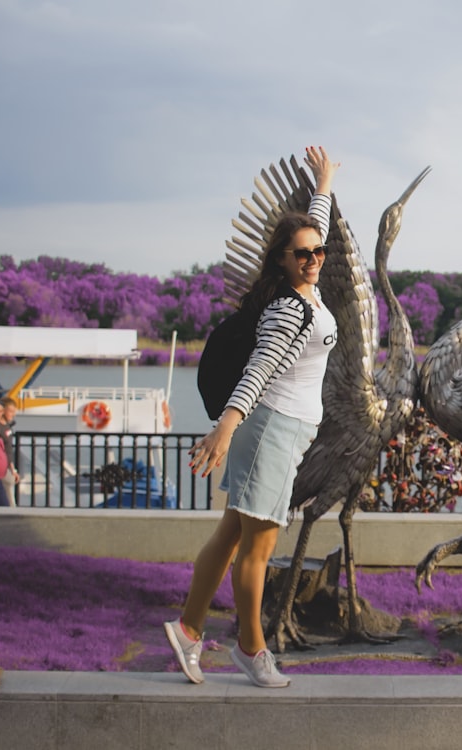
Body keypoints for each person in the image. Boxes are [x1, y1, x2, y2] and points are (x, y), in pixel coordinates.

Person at [164, 146, 340, 689]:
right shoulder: (291, 307)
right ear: (283, 261)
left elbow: (317, 226)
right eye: (302, 254)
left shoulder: (307, 289)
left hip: (279, 429)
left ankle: (190, 631)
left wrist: (324, 183)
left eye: (318, 251)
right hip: (271, 429)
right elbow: (260, 369)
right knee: (257, 550)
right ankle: (250, 648)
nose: (313, 258)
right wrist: (227, 424)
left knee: (231, 536)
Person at [0, 397, 20, 507]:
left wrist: (12, 468)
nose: (13, 414)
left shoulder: (6, 427)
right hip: (0, 466)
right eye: (11, 411)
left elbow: (9, 450)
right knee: (8, 490)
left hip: (5, 465)